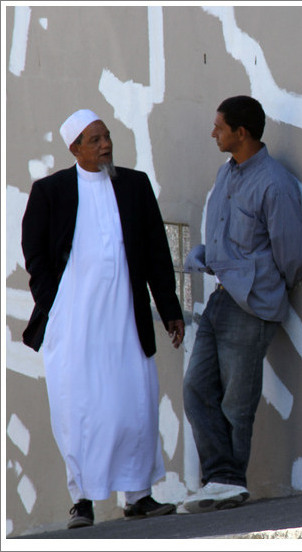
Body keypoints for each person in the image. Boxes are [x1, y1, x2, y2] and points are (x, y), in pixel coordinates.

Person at [21, 109, 186, 529]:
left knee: (136, 403)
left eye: (107, 137)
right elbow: (35, 254)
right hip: (74, 324)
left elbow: (155, 252)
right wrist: (52, 303)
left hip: (126, 318)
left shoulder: (133, 185)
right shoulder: (51, 191)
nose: (105, 145)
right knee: (79, 410)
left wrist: (168, 308)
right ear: (74, 148)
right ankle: (82, 500)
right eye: (94, 140)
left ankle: (139, 496)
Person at [181, 95, 302, 514]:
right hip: (220, 298)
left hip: (251, 304)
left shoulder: (274, 182)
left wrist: (269, 288)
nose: (213, 133)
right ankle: (220, 477)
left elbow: (292, 253)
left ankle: (230, 483)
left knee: (237, 400)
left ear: (242, 132)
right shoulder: (227, 174)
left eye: (220, 127)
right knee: (197, 388)